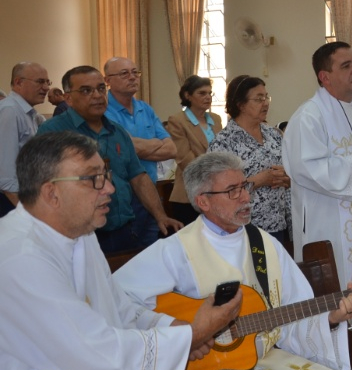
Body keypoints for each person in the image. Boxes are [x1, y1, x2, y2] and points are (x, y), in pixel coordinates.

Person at [0, 131, 240, 370]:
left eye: (107, 175)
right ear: (51, 193)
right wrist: (196, 332)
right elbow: (92, 349)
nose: (110, 189)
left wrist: (180, 333)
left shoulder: (79, 233)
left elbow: (120, 311)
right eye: (94, 180)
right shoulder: (18, 257)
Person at [115, 151, 352, 370]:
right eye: (233, 191)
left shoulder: (262, 243)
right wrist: (180, 331)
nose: (245, 197)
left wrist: (331, 317)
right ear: (203, 201)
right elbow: (117, 299)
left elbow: (295, 307)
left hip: (263, 355)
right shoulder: (177, 250)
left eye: (245, 186)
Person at [283, 41, 352, 330]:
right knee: (335, 297)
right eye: (346, 66)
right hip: (329, 226)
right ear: (324, 76)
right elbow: (306, 169)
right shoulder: (308, 117)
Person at [38, 66, 182, 253]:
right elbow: (42, 186)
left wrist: (160, 215)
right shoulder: (52, 132)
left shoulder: (118, 132)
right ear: (68, 98)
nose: (97, 95)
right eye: (86, 90)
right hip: (78, 236)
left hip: (123, 229)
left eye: (100, 88)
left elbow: (138, 176)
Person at [104, 57, 177, 247]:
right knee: (124, 255)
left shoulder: (145, 108)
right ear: (107, 80)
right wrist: (154, 143)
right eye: (124, 73)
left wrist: (135, 146)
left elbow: (171, 149)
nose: (132, 77)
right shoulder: (104, 111)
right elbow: (121, 150)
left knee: (151, 250)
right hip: (121, 197)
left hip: (150, 191)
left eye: (135, 72)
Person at [209, 75, 290, 244]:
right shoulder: (224, 141)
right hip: (243, 227)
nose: (265, 103)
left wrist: (288, 177)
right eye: (258, 99)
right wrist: (257, 181)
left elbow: (290, 170)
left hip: (280, 224)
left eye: (266, 97)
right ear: (241, 104)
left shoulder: (274, 135)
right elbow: (216, 189)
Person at [166, 75, 223, 225]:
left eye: (210, 93)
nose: (208, 97)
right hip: (189, 193)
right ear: (188, 95)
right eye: (202, 93)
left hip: (217, 190)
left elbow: (224, 150)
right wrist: (216, 172)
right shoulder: (177, 120)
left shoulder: (216, 119)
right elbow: (186, 159)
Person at [0, 61, 50, 218]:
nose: (46, 88)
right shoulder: (10, 111)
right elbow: (5, 176)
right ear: (18, 82)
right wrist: (27, 214)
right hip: (10, 200)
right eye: (40, 82)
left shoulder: (28, 113)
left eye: (47, 82)